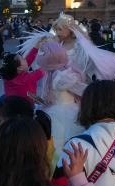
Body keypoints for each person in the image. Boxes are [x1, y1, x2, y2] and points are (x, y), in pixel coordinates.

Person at [32, 41, 88, 169]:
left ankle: (62, 169)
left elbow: (84, 90)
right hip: (61, 110)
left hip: (62, 113)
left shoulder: (62, 76)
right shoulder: (56, 74)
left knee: (61, 143)